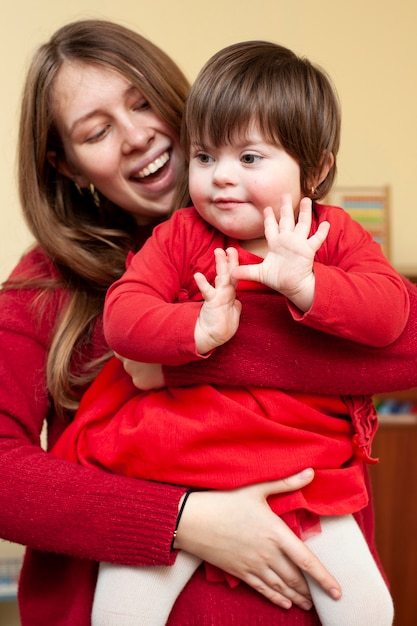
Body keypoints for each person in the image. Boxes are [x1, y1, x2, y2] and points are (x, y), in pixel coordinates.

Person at [0, 19, 416, 626]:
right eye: (97, 131)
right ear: (66, 166)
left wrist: (177, 360)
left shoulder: (314, 235)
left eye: (144, 102)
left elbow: (402, 344)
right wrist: (182, 520)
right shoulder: (49, 283)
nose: (138, 135)